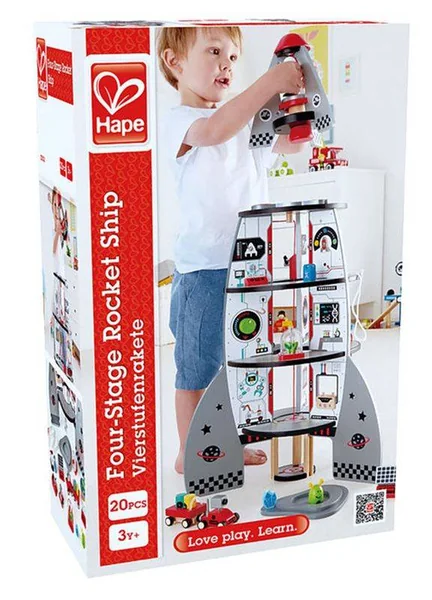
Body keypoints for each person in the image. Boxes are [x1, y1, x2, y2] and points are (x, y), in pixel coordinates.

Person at [158, 26, 307, 473]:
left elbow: (288, 144)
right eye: (214, 51)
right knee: (196, 366)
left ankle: (227, 440)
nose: (226, 63)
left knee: (241, 364)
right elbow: (217, 129)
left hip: (253, 268)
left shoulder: (243, 125)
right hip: (204, 270)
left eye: (233, 56)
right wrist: (270, 83)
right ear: (174, 62)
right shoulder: (183, 121)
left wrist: (303, 110)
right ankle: (189, 450)